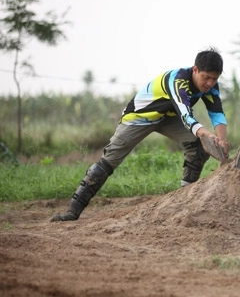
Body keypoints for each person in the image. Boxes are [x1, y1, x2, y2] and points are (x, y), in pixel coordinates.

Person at [51, 47, 229, 222]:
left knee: (198, 148)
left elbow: (216, 112)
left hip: (168, 118)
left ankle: (184, 199)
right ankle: (72, 211)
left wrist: (222, 140)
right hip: (140, 117)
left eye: (214, 79)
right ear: (195, 69)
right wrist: (205, 133)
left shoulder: (211, 86)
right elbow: (185, 114)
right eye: (206, 78)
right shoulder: (177, 80)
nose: (210, 83)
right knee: (109, 160)